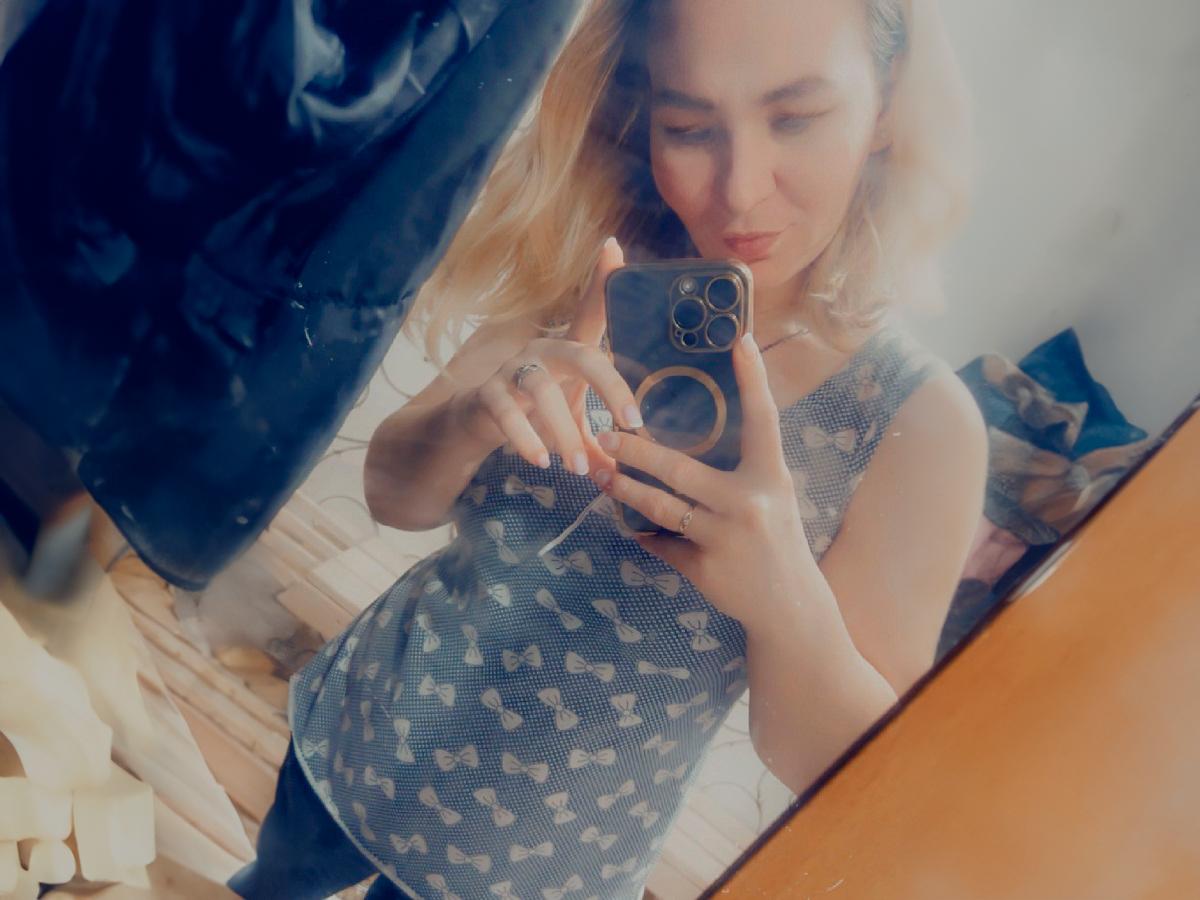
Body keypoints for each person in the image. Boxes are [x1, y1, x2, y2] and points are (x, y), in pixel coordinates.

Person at [229, 1, 987, 898]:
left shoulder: (913, 425)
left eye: (795, 117)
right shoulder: (601, 265)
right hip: (373, 733)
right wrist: (474, 417)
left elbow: (842, 771)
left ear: (887, 104)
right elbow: (392, 494)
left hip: (540, 866)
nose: (740, 191)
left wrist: (783, 594)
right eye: (689, 127)